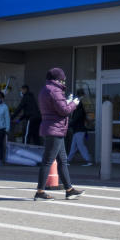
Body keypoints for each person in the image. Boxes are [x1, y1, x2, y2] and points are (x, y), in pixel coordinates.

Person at [33, 67, 84, 201]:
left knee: (63, 161)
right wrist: (74, 103)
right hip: (55, 129)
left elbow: (55, 108)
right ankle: (40, 192)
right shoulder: (54, 90)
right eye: (62, 80)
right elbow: (64, 111)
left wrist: (66, 101)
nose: (63, 82)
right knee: (48, 161)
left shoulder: (45, 89)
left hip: (53, 128)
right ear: (57, 79)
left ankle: (69, 190)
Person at [67, 89, 93, 166]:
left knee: (80, 146)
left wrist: (68, 125)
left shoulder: (78, 110)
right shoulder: (80, 109)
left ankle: (88, 160)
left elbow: (75, 120)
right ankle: (68, 160)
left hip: (79, 130)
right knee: (74, 146)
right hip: (78, 130)